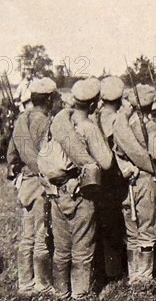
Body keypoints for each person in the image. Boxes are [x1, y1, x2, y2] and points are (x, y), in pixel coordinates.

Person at [48, 78, 113, 299]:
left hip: (58, 192)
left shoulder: (60, 124)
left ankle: (60, 292)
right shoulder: (88, 127)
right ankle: (80, 294)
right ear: (93, 104)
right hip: (82, 193)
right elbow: (106, 162)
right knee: (82, 249)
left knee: (61, 248)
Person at [112, 85, 156, 284]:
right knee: (147, 229)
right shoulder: (149, 126)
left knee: (132, 230)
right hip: (147, 182)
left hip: (128, 184)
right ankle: (144, 277)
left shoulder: (122, 127)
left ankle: (133, 274)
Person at [6, 77, 58, 296]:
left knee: (27, 235)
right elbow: (50, 156)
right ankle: (42, 284)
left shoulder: (21, 121)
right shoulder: (47, 122)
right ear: (48, 99)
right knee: (42, 235)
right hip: (42, 183)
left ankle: (25, 283)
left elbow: (11, 155)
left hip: (26, 183)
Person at [94, 76, 128, 281]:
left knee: (102, 222)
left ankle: (103, 266)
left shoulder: (95, 116)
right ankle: (114, 271)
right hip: (113, 176)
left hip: (98, 177)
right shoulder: (115, 119)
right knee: (114, 222)